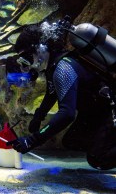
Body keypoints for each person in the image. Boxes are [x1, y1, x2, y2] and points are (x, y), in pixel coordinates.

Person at [7, 23, 116, 170]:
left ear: (40, 48)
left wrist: (33, 140)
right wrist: (38, 117)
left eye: (26, 57)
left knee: (98, 159)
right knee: (72, 141)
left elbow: (67, 114)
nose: (26, 66)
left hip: (110, 111)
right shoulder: (55, 66)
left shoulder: (63, 68)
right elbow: (52, 92)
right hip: (97, 112)